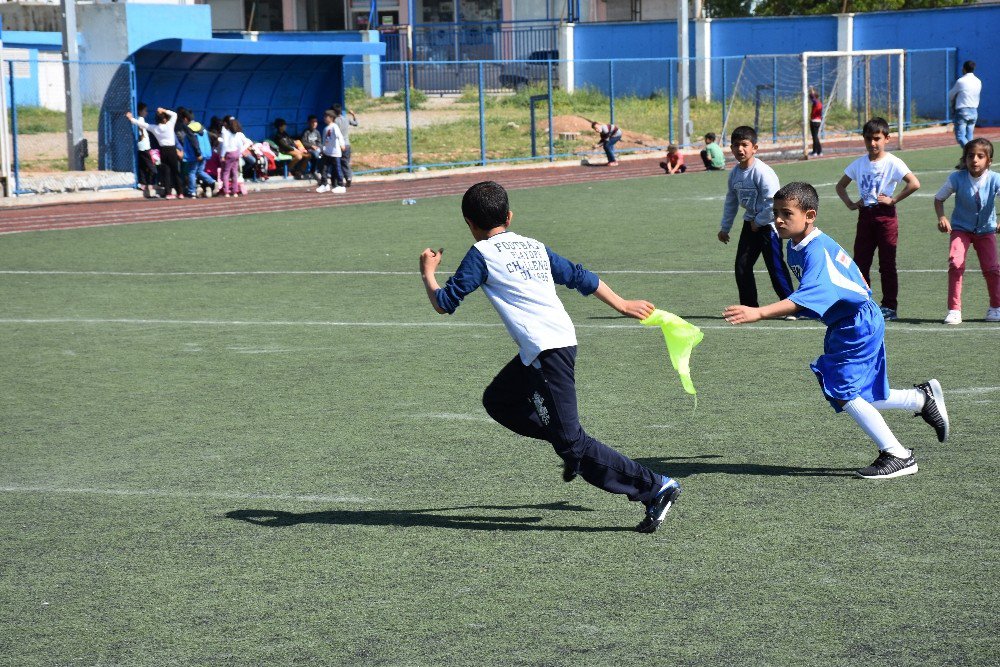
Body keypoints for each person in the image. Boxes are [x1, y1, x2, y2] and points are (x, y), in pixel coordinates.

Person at [418, 181, 680, 532]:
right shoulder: (533, 246)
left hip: (546, 352)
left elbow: (444, 303)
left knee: (573, 444)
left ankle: (654, 486)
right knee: (499, 400)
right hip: (549, 345)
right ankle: (568, 443)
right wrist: (622, 303)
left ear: (468, 222)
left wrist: (428, 271)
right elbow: (578, 276)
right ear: (509, 216)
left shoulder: (480, 255)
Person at [724, 182, 949, 479]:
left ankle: (898, 454)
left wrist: (759, 312)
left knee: (842, 390)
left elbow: (807, 296)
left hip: (857, 325)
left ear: (810, 215)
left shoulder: (815, 251)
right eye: (775, 212)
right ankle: (921, 399)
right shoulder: (797, 245)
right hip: (849, 323)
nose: (778, 219)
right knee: (861, 392)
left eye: (786, 213)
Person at [835, 117, 920, 321]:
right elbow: (840, 186)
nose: (872, 143)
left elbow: (914, 183)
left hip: (885, 216)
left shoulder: (892, 162)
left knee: (887, 263)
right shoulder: (859, 164)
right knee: (861, 262)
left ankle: (890, 306)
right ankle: (862, 302)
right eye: (868, 139)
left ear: (887, 139)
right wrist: (851, 203)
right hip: (865, 217)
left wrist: (894, 199)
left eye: (876, 138)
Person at [717, 125, 795, 308]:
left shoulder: (762, 171)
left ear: (755, 148)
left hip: (769, 225)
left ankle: (792, 305)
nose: (740, 149)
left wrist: (759, 222)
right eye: (736, 145)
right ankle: (749, 306)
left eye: (744, 144)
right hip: (750, 224)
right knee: (742, 266)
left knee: (775, 267)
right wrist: (725, 228)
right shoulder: (734, 174)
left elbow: (774, 202)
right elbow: (731, 201)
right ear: (731, 149)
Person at [933, 137, 1000, 325]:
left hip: (986, 230)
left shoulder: (995, 179)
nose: (975, 160)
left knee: (992, 269)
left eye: (980, 156)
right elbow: (939, 199)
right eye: (971, 156)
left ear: (989, 160)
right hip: (961, 229)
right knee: (955, 264)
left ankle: (996, 307)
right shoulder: (957, 178)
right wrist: (942, 218)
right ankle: (954, 310)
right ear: (965, 159)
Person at [126, 106, 183, 199]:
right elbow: (174, 114)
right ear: (165, 119)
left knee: (166, 172)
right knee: (175, 172)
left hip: (163, 150)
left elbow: (142, 124)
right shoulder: (169, 125)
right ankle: (180, 192)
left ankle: (168, 193)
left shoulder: (154, 128)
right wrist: (164, 110)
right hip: (172, 150)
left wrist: (131, 118)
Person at [949, 60, 982, 168]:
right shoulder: (978, 81)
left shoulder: (961, 81)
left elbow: (951, 95)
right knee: (969, 136)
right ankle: (966, 162)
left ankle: (973, 153)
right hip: (974, 111)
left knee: (960, 136)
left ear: (963, 69)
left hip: (963, 111)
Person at [126, 102, 157, 198]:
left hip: (140, 146)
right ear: (140, 111)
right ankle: (150, 184)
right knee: (152, 167)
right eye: (145, 110)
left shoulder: (139, 119)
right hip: (144, 146)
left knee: (143, 166)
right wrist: (131, 119)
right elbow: (141, 127)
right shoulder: (141, 119)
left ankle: (143, 183)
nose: (146, 113)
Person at [175, 108, 205, 198]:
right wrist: (198, 153)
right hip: (190, 153)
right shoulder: (192, 126)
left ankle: (188, 189)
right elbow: (193, 140)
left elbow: (177, 140)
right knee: (192, 172)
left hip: (182, 152)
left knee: (186, 172)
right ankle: (193, 189)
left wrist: (178, 150)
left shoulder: (177, 126)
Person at [315, 109, 346, 194]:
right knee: (323, 169)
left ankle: (341, 185)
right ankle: (325, 184)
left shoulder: (334, 127)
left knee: (337, 169)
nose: (324, 118)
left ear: (331, 118)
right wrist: (322, 150)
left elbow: (339, 136)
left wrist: (342, 144)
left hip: (335, 153)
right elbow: (324, 141)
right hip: (327, 153)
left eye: (326, 116)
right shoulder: (325, 129)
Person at [219, 116, 250, 197]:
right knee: (234, 173)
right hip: (236, 153)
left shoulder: (226, 133)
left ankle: (226, 191)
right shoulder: (238, 134)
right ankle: (235, 191)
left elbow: (225, 145)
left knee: (226, 173)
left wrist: (222, 155)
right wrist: (240, 152)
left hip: (229, 153)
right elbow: (240, 145)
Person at [332, 104, 358, 187]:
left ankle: (338, 180)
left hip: (338, 145)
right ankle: (348, 177)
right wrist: (353, 114)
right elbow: (356, 123)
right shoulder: (346, 118)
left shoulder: (334, 121)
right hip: (347, 144)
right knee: (345, 162)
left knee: (337, 163)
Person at [300, 114, 322, 179]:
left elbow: (319, 142)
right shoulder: (306, 132)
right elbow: (303, 142)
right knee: (316, 155)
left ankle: (323, 171)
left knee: (324, 154)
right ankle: (313, 171)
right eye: (313, 122)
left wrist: (318, 147)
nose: (315, 124)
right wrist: (311, 146)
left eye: (316, 122)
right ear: (309, 123)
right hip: (309, 150)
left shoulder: (317, 132)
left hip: (317, 149)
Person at [808, 86, 823, 157]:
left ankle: (816, 151)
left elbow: (812, 98)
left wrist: (811, 91)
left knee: (815, 137)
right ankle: (818, 151)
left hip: (814, 121)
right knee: (815, 136)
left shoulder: (816, 103)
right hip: (818, 121)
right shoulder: (819, 103)